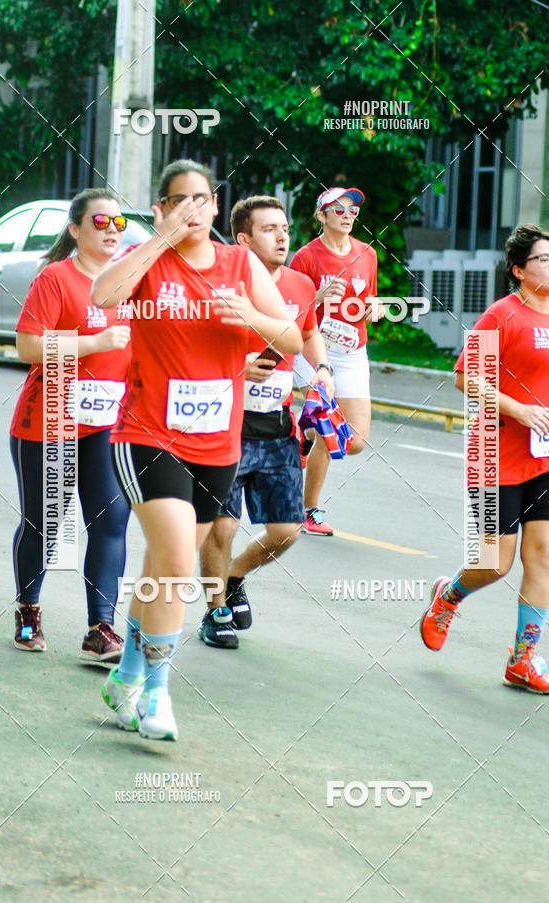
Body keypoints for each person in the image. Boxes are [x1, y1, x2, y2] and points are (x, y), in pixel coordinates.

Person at [92, 161, 302, 740]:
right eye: (177, 200)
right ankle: (157, 693)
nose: (191, 208)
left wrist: (253, 315)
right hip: (148, 437)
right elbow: (102, 295)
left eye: (200, 199)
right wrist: (158, 238)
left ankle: (127, 679)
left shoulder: (239, 265)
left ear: (215, 207)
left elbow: (291, 337)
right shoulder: (151, 262)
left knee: (161, 567)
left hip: (219, 444)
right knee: (179, 562)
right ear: (162, 208)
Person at [420, 224, 549, 694]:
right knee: (495, 562)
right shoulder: (501, 315)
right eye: (544, 259)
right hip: (496, 454)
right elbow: (467, 379)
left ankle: (522, 660)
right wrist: (519, 408)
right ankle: (448, 597)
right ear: (519, 271)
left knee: (544, 555)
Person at [198, 195, 334, 649]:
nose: (282, 236)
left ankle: (235, 574)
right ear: (243, 238)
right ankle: (215, 611)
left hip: (278, 426)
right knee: (223, 526)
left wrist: (322, 370)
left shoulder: (298, 284)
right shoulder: (220, 284)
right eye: (269, 229)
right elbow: (191, 352)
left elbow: (310, 333)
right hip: (228, 423)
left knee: (286, 531)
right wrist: (239, 366)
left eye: (284, 228)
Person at [10, 188, 132, 662]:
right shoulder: (56, 279)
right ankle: (28, 611)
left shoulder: (130, 284)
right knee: (46, 523)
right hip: (47, 422)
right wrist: (93, 341)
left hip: (106, 424)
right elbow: (28, 348)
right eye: (100, 223)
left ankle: (100, 627)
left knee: (111, 518)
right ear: (75, 229)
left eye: (119, 224)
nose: (111, 231)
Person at [290, 186, 382, 535]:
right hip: (312, 348)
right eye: (339, 210)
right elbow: (290, 310)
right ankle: (309, 509)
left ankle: (305, 431)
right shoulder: (306, 257)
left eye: (352, 210)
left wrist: (376, 309)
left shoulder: (367, 254)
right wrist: (317, 296)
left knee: (354, 440)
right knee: (329, 427)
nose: (347, 216)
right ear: (322, 215)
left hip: (351, 350)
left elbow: (368, 303)